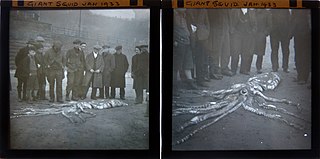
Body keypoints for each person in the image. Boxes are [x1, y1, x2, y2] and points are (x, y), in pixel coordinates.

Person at [173, 9, 197, 93]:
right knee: (177, 66)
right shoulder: (174, 14)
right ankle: (175, 87)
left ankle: (190, 82)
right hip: (179, 43)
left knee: (188, 63)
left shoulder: (184, 15)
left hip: (187, 41)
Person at [187, 9, 211, 87]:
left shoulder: (203, 9)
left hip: (202, 37)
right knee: (190, 59)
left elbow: (207, 23)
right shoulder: (187, 9)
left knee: (201, 59)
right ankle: (191, 80)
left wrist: (206, 33)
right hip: (191, 36)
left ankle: (200, 80)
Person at [206, 9, 233, 79]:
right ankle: (215, 70)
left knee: (226, 50)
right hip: (216, 29)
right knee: (216, 50)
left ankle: (224, 68)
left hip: (225, 28)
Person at [229, 8, 257, 75]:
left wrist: (253, 31)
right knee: (235, 52)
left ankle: (243, 69)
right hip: (237, 34)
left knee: (245, 53)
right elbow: (231, 22)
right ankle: (233, 70)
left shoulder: (251, 11)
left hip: (247, 35)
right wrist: (232, 31)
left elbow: (255, 23)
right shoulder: (234, 10)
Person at [292, 9, 311, 84]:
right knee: (298, 56)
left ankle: (303, 77)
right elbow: (293, 21)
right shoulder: (295, 9)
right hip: (298, 35)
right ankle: (300, 76)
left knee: (304, 57)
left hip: (306, 36)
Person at [253, 9, 272, 74]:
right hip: (252, 34)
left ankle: (259, 67)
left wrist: (265, 33)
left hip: (261, 34)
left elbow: (269, 25)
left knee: (260, 53)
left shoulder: (267, 13)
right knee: (249, 51)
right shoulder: (252, 11)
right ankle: (246, 68)